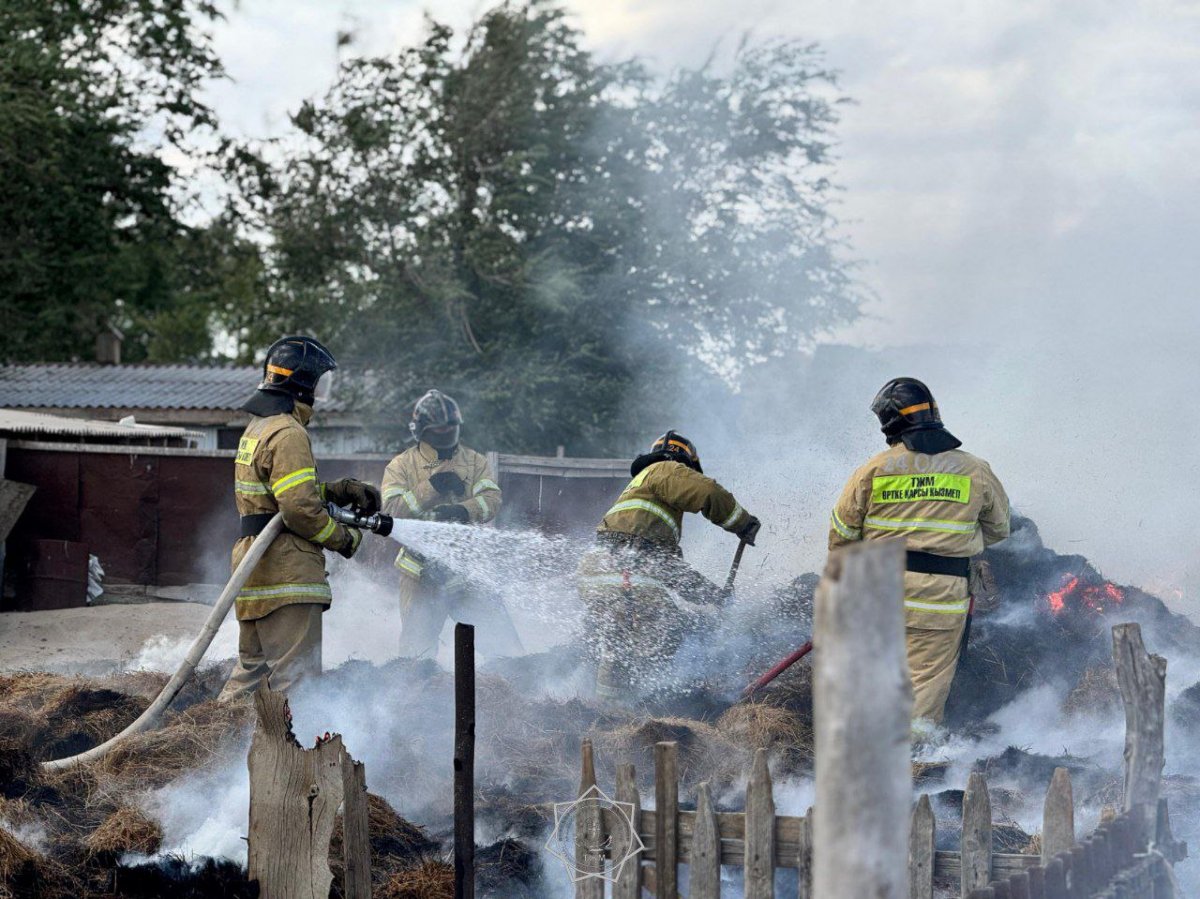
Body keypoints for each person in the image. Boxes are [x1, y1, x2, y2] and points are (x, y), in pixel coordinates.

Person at [828, 377, 1010, 734]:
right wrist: (954, 540)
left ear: (889, 423)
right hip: (941, 597)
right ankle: (911, 766)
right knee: (924, 686)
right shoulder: (975, 469)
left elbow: (842, 536)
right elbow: (999, 530)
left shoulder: (873, 469)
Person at [219, 336, 381, 701]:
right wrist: (345, 539)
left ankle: (213, 740)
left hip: (255, 568)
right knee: (298, 685)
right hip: (287, 572)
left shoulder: (257, 429)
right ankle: (296, 755)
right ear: (304, 384)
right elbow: (298, 510)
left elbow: (276, 500)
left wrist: (336, 490)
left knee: (251, 678)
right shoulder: (289, 432)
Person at [578, 431, 760, 704]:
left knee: (616, 650)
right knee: (668, 637)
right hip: (628, 571)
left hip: (601, 570)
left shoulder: (639, 506)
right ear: (684, 463)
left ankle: (609, 717)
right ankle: (655, 710)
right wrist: (742, 523)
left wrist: (712, 595)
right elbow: (707, 492)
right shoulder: (665, 469)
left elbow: (667, 570)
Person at [380, 389, 520, 659]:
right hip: (420, 575)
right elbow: (391, 511)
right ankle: (417, 696)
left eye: (449, 430)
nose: (444, 437)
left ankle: (512, 692)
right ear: (420, 431)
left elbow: (491, 500)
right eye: (437, 432)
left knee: (504, 649)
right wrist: (429, 488)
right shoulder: (401, 466)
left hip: (466, 569)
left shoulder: (474, 461)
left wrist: (462, 511)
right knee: (416, 657)